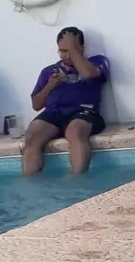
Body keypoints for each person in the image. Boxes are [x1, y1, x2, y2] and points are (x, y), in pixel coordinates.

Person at [21, 27, 110, 176]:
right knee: (32, 136)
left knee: (75, 132)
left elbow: (88, 74)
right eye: (63, 51)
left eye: (70, 49)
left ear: (82, 48)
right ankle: (30, 181)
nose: (67, 55)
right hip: (54, 113)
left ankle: (77, 179)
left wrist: (72, 49)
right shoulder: (49, 71)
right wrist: (49, 86)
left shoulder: (97, 62)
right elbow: (36, 105)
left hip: (85, 111)